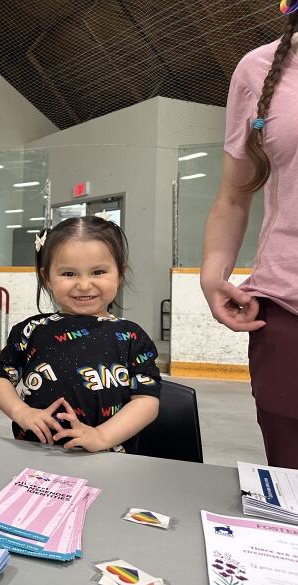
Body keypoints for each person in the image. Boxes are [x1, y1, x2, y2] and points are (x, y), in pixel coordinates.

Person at [201, 4, 298, 468]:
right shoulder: (258, 70)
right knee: (290, 488)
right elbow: (234, 196)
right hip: (286, 312)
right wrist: (211, 273)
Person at [0, 216, 161, 453]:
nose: (83, 284)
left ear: (120, 273)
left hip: (109, 457)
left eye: (98, 272)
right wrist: (21, 411)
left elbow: (146, 401)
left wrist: (102, 436)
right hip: (35, 454)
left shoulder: (132, 337)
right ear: (46, 277)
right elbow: (0, 378)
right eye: (69, 274)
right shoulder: (29, 331)